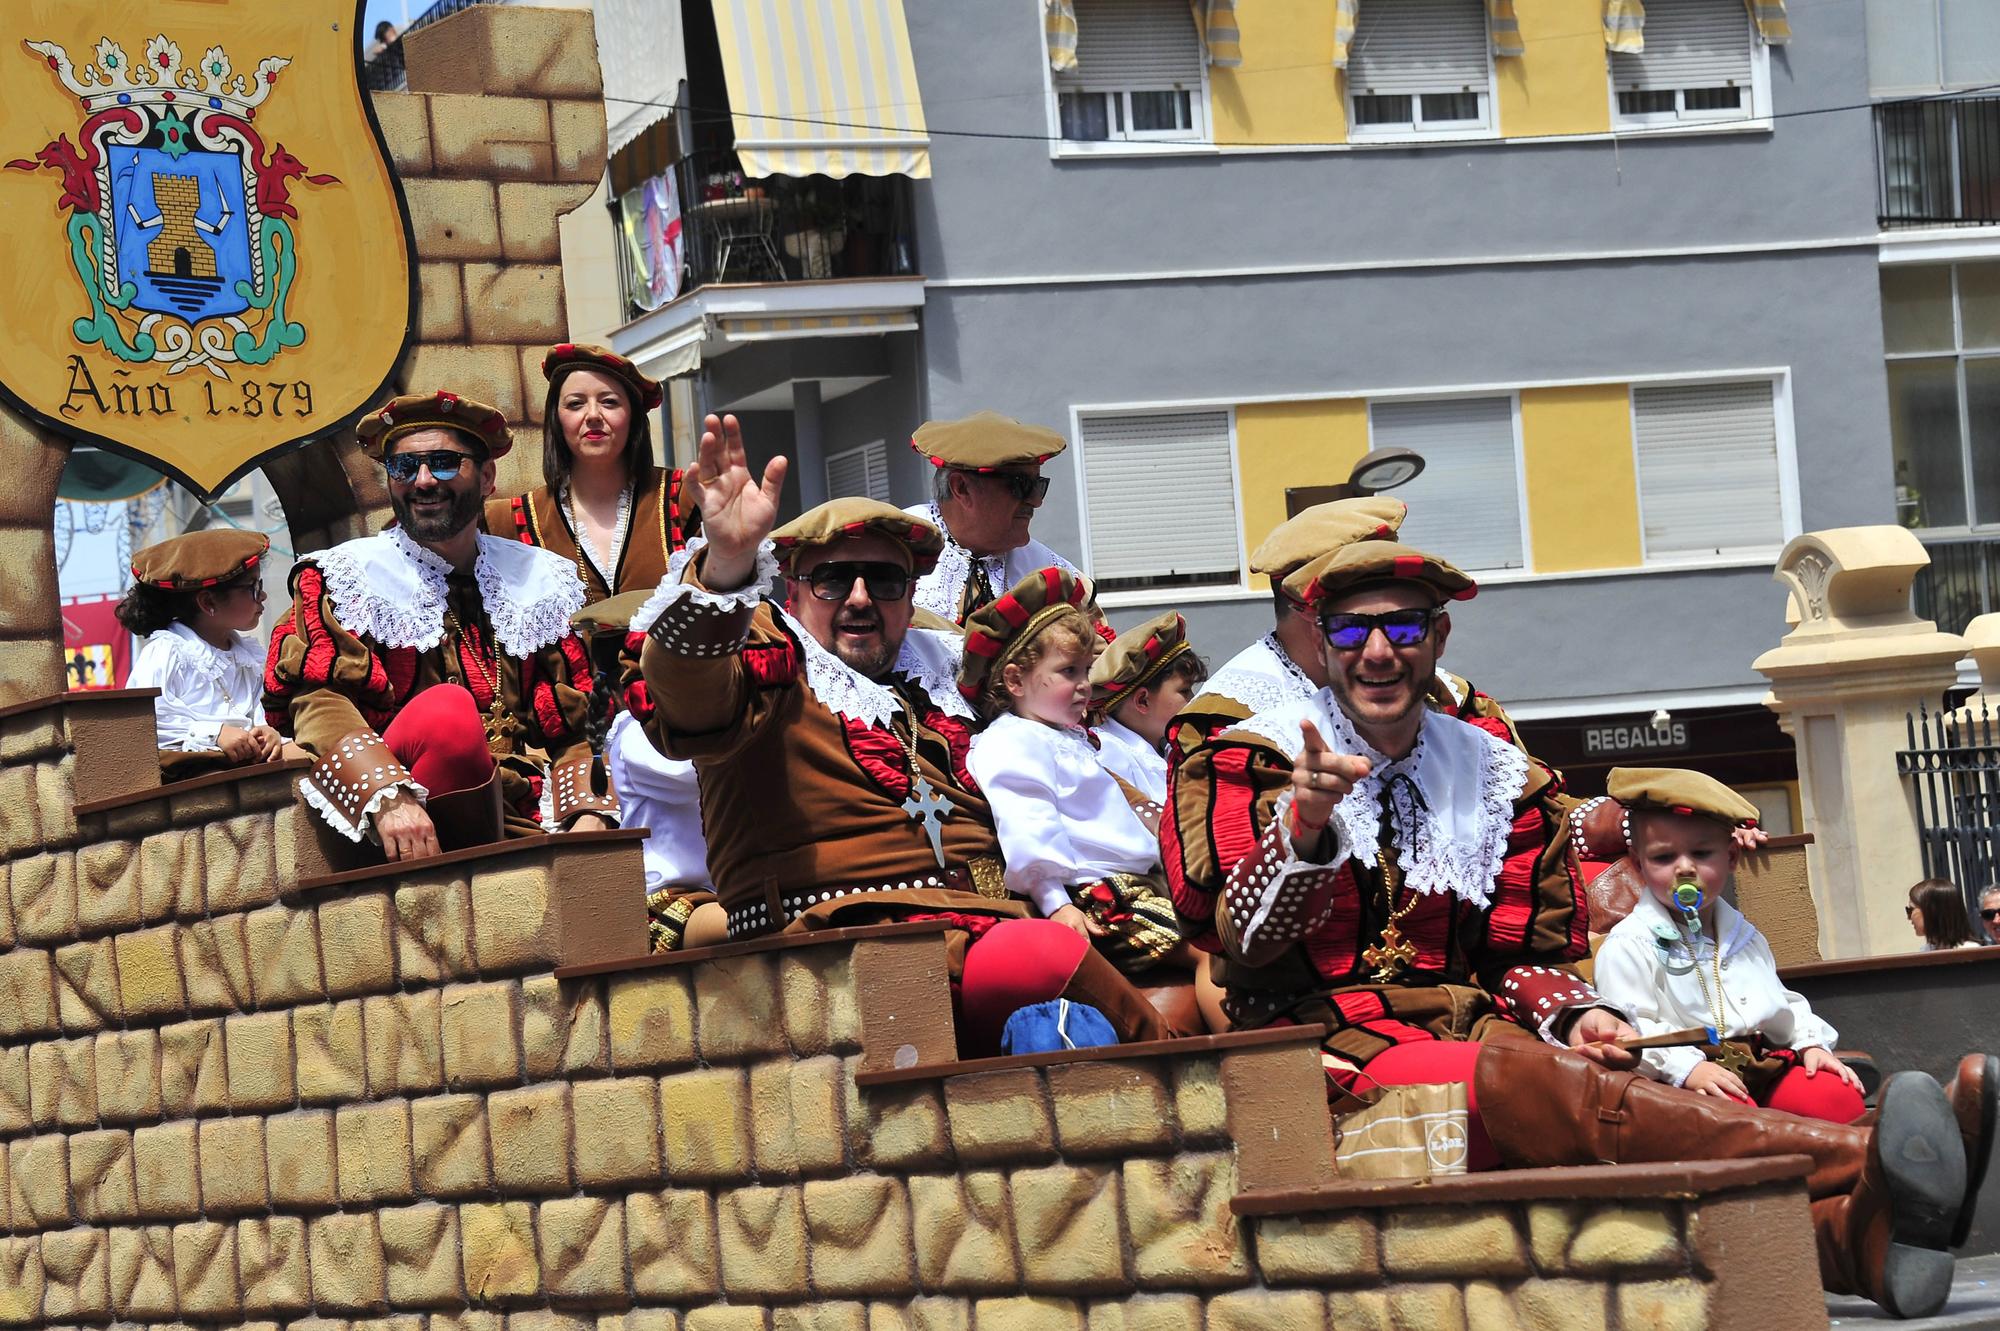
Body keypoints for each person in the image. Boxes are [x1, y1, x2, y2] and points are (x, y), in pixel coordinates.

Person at [1168, 535, 1999, 1318]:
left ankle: (1855, 1236)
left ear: (1439, 635)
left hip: (1485, 1030)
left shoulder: (1498, 774)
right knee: (1561, 1084)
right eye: (1353, 627)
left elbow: (1525, 954)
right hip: (1323, 1046)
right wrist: (1307, 821)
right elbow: (1243, 942)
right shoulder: (1253, 756)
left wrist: (1579, 1012)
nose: (1378, 650)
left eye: (1404, 625)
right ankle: (1869, 1157)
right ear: (1320, 636)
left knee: (1624, 1066)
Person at [631, 413, 1169, 1052]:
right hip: (843, 944)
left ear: (911, 592)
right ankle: (1190, 1075)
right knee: (1036, 965)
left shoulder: (945, 664)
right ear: (796, 590)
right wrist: (725, 565)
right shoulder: (766, 656)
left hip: (1000, 920)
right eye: (834, 579)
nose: (860, 597)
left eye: (884, 581)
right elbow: (687, 696)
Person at [266, 391, 618, 859]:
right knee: (447, 714)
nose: (424, 481)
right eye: (403, 467)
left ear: (488, 476)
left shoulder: (541, 577)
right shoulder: (345, 576)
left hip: (529, 807)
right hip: (408, 814)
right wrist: (389, 797)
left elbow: (576, 723)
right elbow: (319, 699)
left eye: (444, 463)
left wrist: (589, 813)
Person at [1587, 767, 1865, 1122]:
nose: (1684, 868)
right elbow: (1633, 1027)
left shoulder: (1744, 936)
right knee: (1730, 1118)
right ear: (1639, 865)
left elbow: (1781, 1003)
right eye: (1663, 858)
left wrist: (1809, 1041)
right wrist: (1686, 1068)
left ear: (1731, 857)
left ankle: (1858, 1159)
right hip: (1683, 1079)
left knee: (1832, 1096)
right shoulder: (1630, 943)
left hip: (1759, 1062)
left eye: (1702, 854)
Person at [960, 569, 1197, 984]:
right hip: (1098, 899)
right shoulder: (1012, 741)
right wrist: (1056, 904)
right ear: (1015, 679)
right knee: (1210, 954)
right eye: (1069, 671)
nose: (1086, 686)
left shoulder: (1069, 737)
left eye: (1086, 671)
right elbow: (1028, 824)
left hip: (1142, 883)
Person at [1168, 496, 1515, 769]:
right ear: (1311, 611)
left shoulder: (1454, 698)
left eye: (1401, 618)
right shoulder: (1224, 728)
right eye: (1358, 618)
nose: (1380, 650)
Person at [486, 344, 699, 606]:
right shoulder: (508, 521)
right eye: (575, 404)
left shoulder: (683, 497)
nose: (593, 416)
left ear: (633, 416)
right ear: (556, 418)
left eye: (609, 402)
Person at [904, 411, 1102, 631]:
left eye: (1038, 486)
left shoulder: (1059, 578)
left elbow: (1100, 654)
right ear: (961, 488)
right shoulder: (893, 548)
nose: (1036, 501)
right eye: (1020, 485)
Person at [121, 529, 292, 774]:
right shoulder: (167, 651)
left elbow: (261, 708)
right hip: (194, 779)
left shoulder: (248, 655)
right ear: (208, 603)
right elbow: (142, 721)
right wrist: (216, 734)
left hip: (250, 770)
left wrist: (267, 731)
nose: (262, 596)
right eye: (252, 588)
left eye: (260, 585)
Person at [1089, 609, 1203, 814]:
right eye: (1184, 691)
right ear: (1142, 701)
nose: (1192, 700)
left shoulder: (1166, 748)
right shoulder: (1111, 756)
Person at [1909, 878, 1982, 951]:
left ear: (1932, 911)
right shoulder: (1925, 950)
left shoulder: (1969, 951)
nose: (1909, 917)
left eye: (1910, 910)